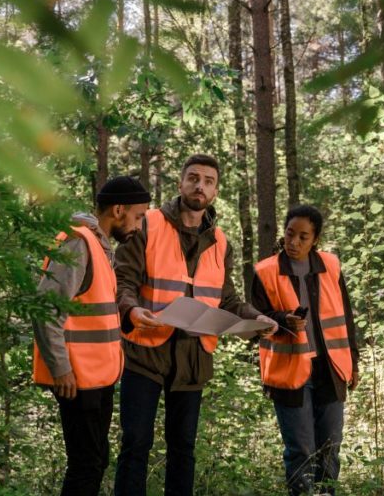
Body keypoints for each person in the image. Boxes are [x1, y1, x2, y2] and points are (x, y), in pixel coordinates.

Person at [113, 154, 278, 496]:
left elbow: (227, 298)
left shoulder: (220, 242)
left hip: (193, 358)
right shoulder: (148, 224)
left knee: (183, 450)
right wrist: (130, 311)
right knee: (135, 446)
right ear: (180, 182)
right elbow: (123, 281)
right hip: (145, 352)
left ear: (215, 191)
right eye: (193, 178)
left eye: (208, 181)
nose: (199, 185)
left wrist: (256, 318)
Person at [33, 176, 151, 496]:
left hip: (96, 377)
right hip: (76, 378)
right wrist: (61, 369)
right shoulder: (77, 241)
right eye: (138, 216)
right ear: (118, 210)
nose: (139, 226)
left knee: (96, 461)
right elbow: (45, 309)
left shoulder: (99, 245)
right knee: (86, 465)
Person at [251, 205, 361, 496]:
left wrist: (354, 363)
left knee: (329, 448)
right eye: (290, 234)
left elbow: (346, 318)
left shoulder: (331, 265)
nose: (294, 242)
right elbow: (253, 322)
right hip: (289, 374)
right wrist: (281, 319)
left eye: (303, 237)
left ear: (315, 239)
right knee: (300, 450)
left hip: (331, 368)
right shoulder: (265, 271)